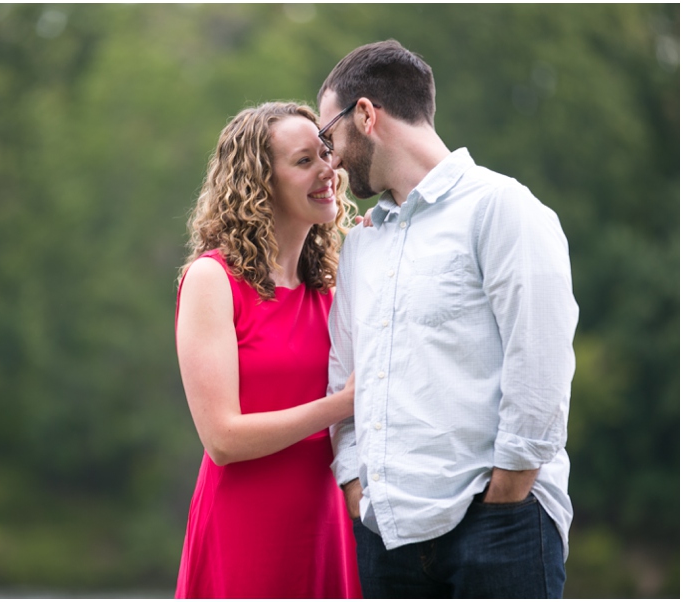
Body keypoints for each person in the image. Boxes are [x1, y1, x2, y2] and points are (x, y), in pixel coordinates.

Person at [318, 40, 578, 598]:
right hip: (386, 541)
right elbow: (344, 374)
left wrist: (506, 491)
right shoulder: (362, 246)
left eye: (328, 135)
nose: (329, 158)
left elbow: (541, 366)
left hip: (499, 532)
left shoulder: (502, 208)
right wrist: (355, 484)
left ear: (365, 115)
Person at [174, 102, 363, 599]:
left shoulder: (335, 289)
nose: (329, 170)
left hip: (329, 527)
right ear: (261, 183)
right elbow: (223, 439)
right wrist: (341, 405)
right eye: (304, 161)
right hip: (245, 532)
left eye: (326, 153)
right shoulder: (212, 280)